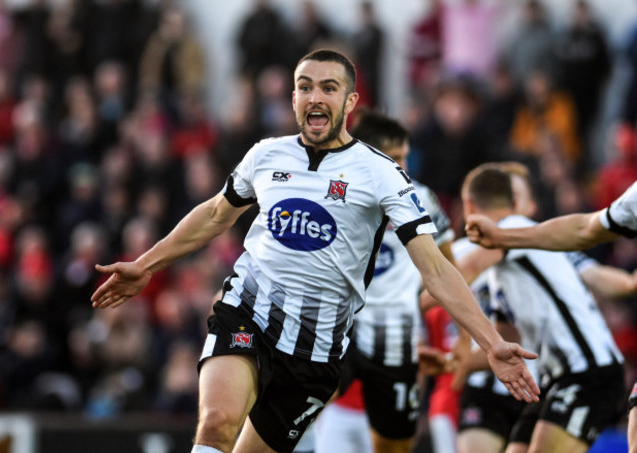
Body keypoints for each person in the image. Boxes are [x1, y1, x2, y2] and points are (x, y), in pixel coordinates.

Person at [91, 49, 539, 453]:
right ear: (293, 98)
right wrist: (146, 265)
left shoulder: (382, 175)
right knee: (217, 422)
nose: (315, 97)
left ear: (350, 102)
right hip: (249, 313)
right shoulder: (266, 155)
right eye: (305, 87)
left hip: (317, 351)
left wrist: (493, 343)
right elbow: (213, 215)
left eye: (329, 87)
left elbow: (437, 270)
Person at [314, 110, 459, 453]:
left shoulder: (419, 198)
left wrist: (413, 302)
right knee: (287, 415)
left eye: (406, 157)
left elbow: (449, 271)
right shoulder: (330, 192)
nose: (403, 167)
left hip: (394, 336)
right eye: (395, 158)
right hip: (340, 336)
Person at [458, 166, 624, 453]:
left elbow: (465, 269)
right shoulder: (504, 275)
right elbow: (507, 339)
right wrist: (455, 361)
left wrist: (412, 301)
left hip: (587, 371)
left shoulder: (512, 229)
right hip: (554, 378)